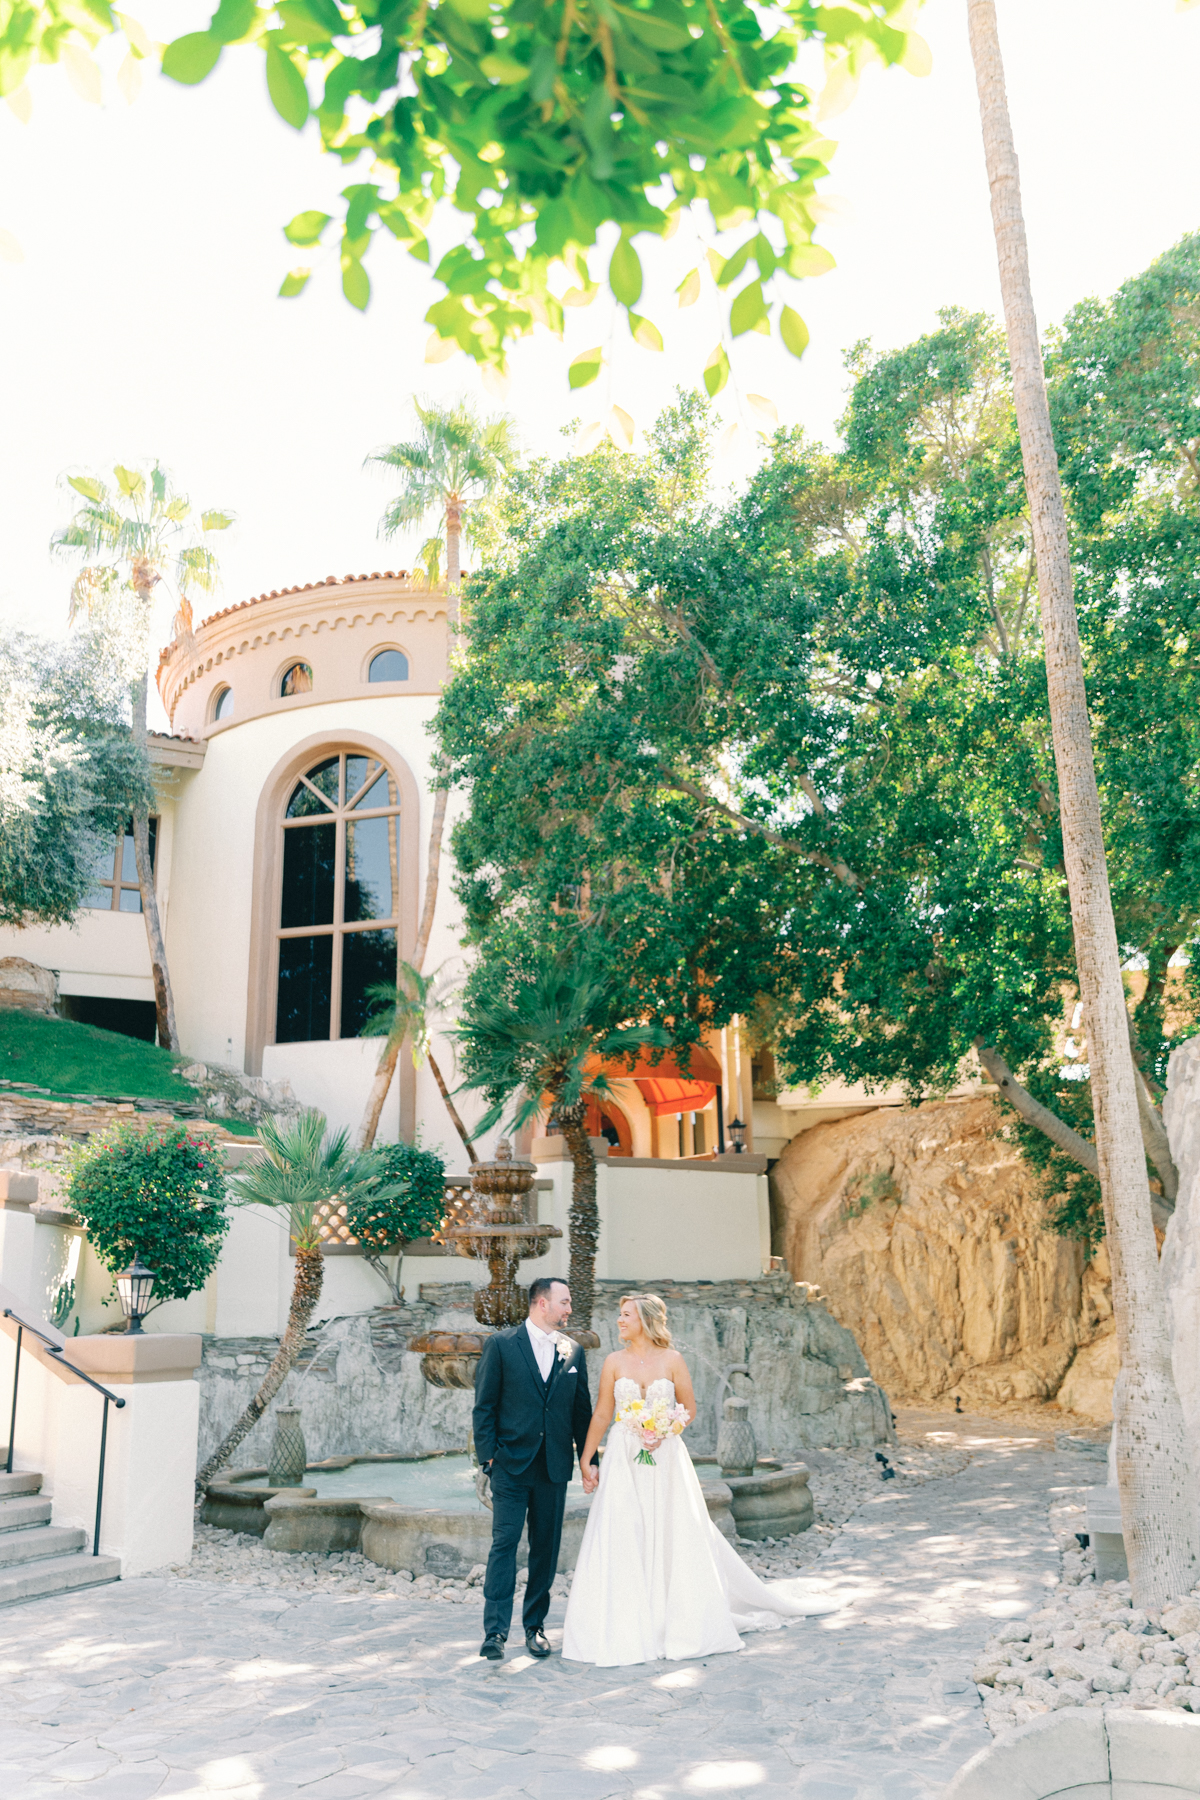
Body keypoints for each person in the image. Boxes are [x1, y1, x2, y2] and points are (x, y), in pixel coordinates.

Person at [562, 1291, 840, 1666]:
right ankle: (628, 1623)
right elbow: (601, 1414)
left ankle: (676, 1621)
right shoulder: (613, 1361)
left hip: (666, 1458)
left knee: (671, 1529)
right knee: (625, 1530)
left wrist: (664, 1429)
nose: (620, 1321)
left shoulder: (673, 1360)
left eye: (626, 1315)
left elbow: (688, 1409)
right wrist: (586, 1459)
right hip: (625, 1457)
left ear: (644, 1320)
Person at [472, 1275, 593, 1661]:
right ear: (542, 1303)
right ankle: (494, 1633)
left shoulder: (573, 1351)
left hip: (554, 1467)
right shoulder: (502, 1345)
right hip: (511, 1465)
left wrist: (589, 1462)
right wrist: (489, 1458)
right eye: (564, 1302)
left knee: (546, 1549)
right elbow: (484, 1406)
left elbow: (581, 1412)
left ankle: (535, 1627)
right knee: (504, 1545)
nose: (569, 1309)